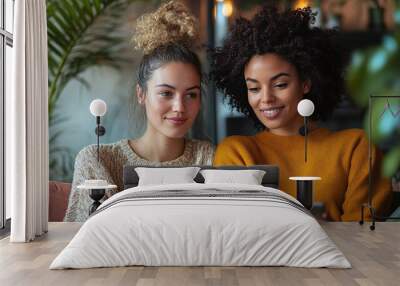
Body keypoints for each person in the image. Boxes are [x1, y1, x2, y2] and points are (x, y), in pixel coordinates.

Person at [210, 5, 392, 221]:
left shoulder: (357, 148)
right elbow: (241, 233)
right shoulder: (237, 152)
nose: (266, 98)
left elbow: (363, 236)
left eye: (280, 84)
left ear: (305, 83)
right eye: (254, 88)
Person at [65, 1, 214, 222]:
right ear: (141, 94)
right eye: (166, 93)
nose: (180, 107)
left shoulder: (209, 157)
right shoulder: (97, 160)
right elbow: (91, 238)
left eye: (191, 94)